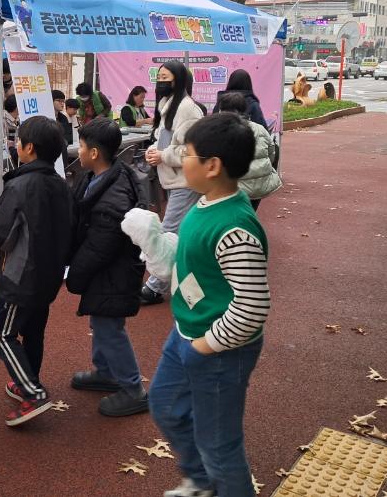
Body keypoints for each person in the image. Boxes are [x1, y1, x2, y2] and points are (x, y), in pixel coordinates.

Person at [121, 113, 270, 497]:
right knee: (166, 405)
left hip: (218, 349)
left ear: (212, 165)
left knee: (220, 444)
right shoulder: (204, 205)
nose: (179, 159)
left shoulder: (234, 225)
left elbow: (252, 305)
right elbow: (190, 267)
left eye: (186, 153)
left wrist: (206, 345)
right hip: (188, 333)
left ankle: (216, 482)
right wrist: (153, 242)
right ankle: (201, 482)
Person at [0, 116, 73, 426]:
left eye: (18, 141)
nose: (15, 146)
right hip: (51, 274)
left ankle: (32, 390)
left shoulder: (20, 185)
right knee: (34, 331)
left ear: (29, 148)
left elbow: (0, 235)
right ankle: (27, 378)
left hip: (22, 275)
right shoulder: (62, 185)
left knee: (2, 334)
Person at [67, 118, 149, 417]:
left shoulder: (113, 198)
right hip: (109, 271)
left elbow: (99, 247)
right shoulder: (105, 174)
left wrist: (74, 274)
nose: (79, 150)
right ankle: (106, 372)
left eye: (83, 145)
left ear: (94, 153)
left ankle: (133, 388)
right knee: (101, 320)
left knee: (108, 326)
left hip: (113, 271)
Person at [141, 61, 204, 305]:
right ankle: (191, 285)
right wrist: (152, 151)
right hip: (172, 179)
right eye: (158, 76)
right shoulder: (167, 105)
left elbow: (192, 150)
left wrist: (163, 155)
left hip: (185, 182)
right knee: (184, 236)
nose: (160, 81)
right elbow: (162, 139)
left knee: (168, 232)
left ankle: (155, 286)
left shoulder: (188, 109)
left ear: (177, 80)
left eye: (165, 76)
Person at [216, 93, 281, 211]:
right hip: (258, 185)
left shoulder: (220, 131)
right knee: (249, 215)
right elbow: (271, 153)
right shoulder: (260, 128)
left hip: (233, 187)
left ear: (222, 110)